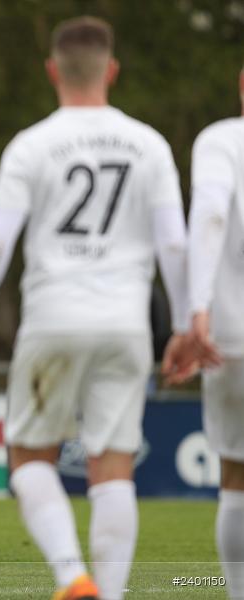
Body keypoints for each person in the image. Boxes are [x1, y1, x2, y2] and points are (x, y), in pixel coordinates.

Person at [0, 17, 190, 600]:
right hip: (126, 323)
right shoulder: (149, 143)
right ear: (111, 70)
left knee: (29, 458)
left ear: (53, 71)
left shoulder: (32, 144)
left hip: (53, 318)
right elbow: (176, 245)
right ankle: (107, 596)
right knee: (114, 469)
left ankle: (70, 576)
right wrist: (184, 323)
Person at [170, 66, 244, 599]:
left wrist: (196, 310)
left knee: (237, 478)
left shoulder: (221, 141)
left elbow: (212, 215)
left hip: (232, 336)